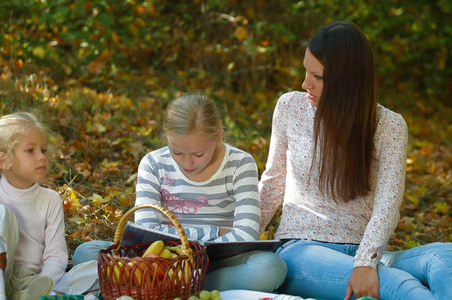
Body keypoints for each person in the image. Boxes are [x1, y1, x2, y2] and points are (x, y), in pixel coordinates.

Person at [259, 20, 452, 300]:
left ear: (347, 80)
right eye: (305, 71)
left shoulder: (388, 126)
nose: (305, 83)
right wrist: (235, 243)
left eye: (318, 76)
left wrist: (366, 260)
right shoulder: (290, 107)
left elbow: (388, 202)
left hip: (365, 252)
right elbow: (272, 182)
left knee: (444, 258)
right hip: (301, 251)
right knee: (398, 287)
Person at [73, 92, 287, 292]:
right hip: (158, 259)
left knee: (270, 267)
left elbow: (246, 234)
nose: (188, 163)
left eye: (198, 154)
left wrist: (183, 238)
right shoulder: (153, 163)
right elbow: (146, 229)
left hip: (214, 262)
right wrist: (216, 232)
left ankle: (156, 285)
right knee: (87, 252)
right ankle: (185, 285)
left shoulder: (240, 163)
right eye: (177, 152)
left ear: (218, 136)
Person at [0, 112, 100, 300]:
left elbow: (56, 253)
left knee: (97, 269)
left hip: (31, 280)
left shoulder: (50, 199)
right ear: (4, 161)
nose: (41, 157)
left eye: (43, 150)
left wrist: (45, 281)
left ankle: (39, 295)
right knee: (0, 214)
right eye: (30, 150)